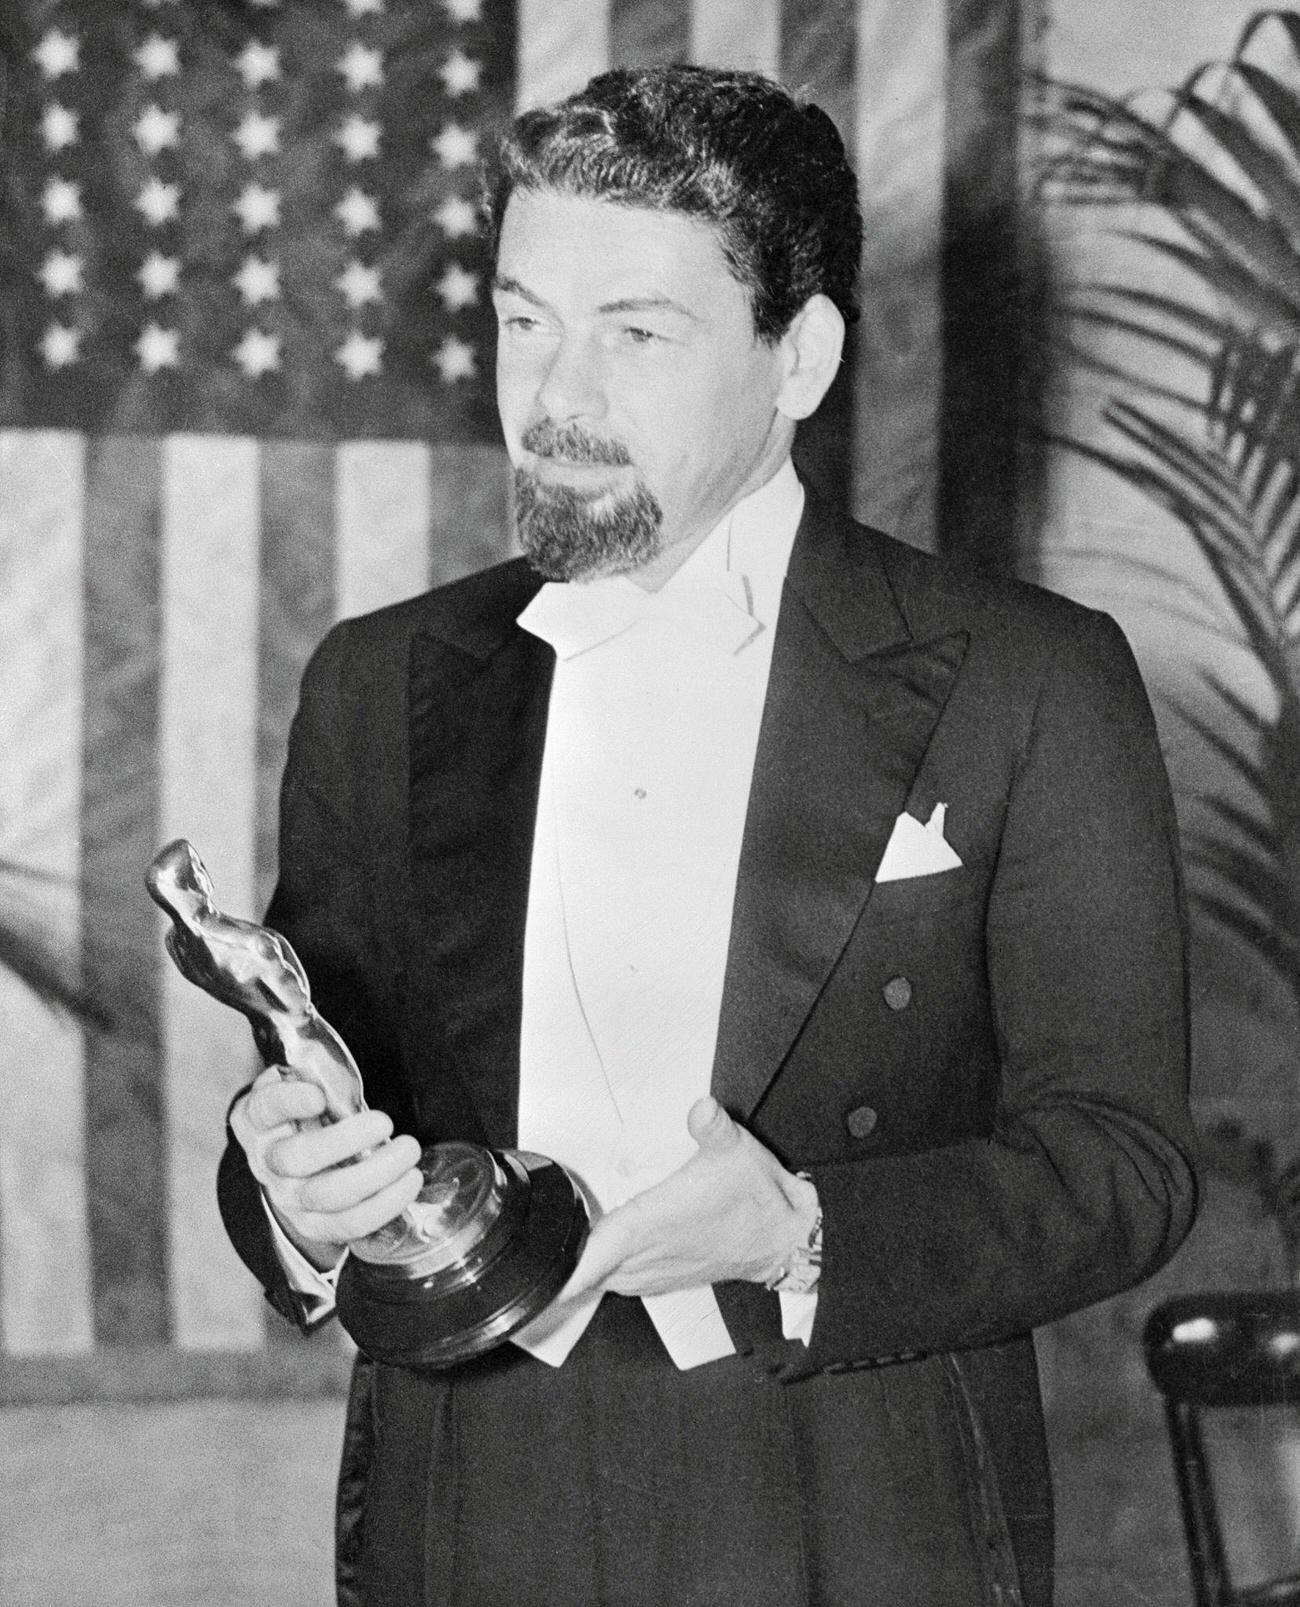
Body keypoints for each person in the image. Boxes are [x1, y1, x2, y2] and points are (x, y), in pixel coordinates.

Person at [217, 65, 1197, 1607]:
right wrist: (287, 1186)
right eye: (522, 320)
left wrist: (808, 1233)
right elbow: (317, 1075)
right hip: (470, 1492)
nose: (554, 397)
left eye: (637, 334)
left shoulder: (1030, 678)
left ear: (798, 357)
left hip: (856, 1489)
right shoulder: (378, 685)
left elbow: (1125, 1165)